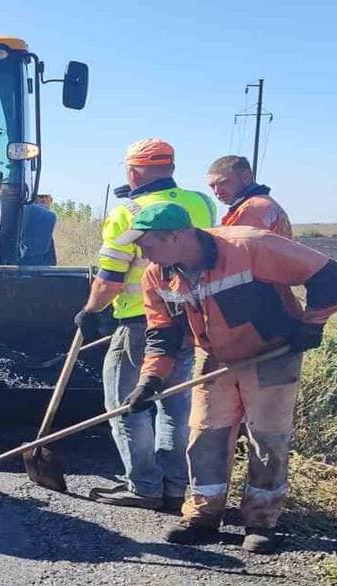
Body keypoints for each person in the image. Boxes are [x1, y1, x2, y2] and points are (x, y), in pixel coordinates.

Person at [122, 203, 337, 553]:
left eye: (148, 244)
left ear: (177, 236)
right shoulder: (158, 275)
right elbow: (162, 333)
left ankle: (260, 523)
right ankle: (202, 517)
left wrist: (312, 324)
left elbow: (328, 275)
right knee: (205, 435)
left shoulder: (248, 246)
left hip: (272, 354)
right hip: (214, 356)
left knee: (267, 440)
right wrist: (150, 380)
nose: (142, 252)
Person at [74, 139, 217, 512]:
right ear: (170, 166)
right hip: (194, 319)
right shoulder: (201, 203)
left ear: (133, 171)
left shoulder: (128, 213)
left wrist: (90, 311)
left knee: (126, 404)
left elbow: (111, 278)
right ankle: (174, 487)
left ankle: (143, 487)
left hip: (142, 323)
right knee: (175, 405)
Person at [207, 155, 292, 237]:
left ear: (246, 177)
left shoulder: (253, 209)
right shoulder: (266, 204)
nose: (217, 191)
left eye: (223, 182)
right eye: (212, 186)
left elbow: (235, 246)